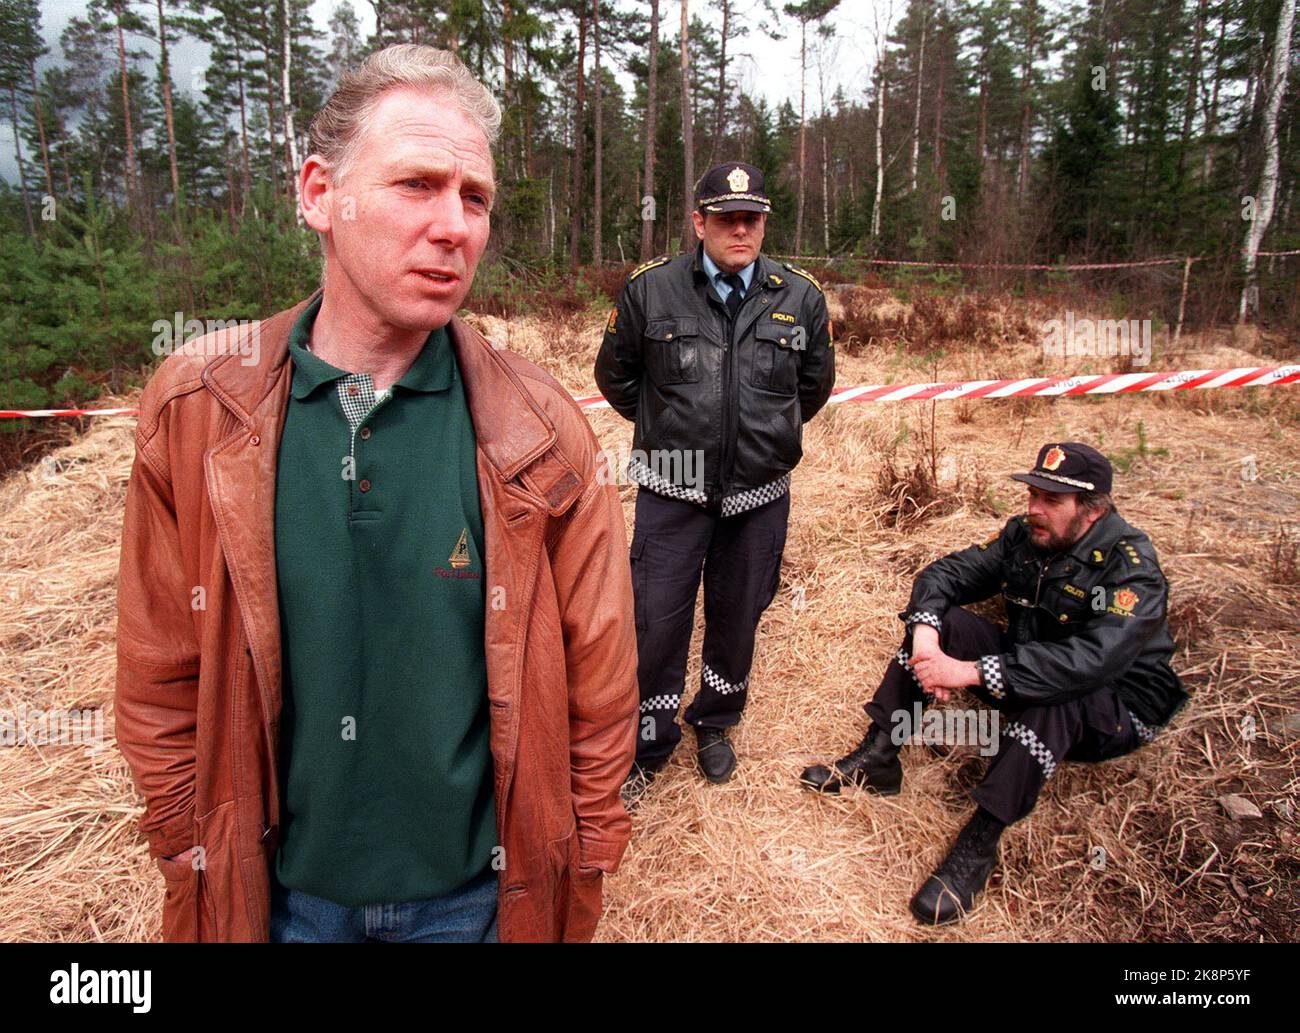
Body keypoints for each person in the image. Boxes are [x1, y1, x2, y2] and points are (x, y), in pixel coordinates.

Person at [114, 44, 638, 943]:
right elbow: (162, 671)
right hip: (277, 899)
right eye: (417, 185)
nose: (455, 226)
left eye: (474, 198)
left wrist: (580, 852)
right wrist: (186, 840)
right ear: (319, 193)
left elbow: (599, 682)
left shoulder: (538, 431)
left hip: (478, 900)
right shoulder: (199, 411)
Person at [801, 443, 1187, 925]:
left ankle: (980, 842)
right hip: (1030, 665)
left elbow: (1091, 662)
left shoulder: (1131, 566)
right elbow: (946, 574)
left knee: (1059, 691)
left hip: (1116, 707)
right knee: (948, 622)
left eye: (1051, 500)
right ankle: (879, 757)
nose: (1034, 509)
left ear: (1093, 511)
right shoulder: (1027, 536)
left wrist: (967, 672)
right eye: (1033, 494)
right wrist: (926, 641)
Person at [595, 161, 835, 801]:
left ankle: (715, 721)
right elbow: (616, 379)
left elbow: (810, 391)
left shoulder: (800, 297)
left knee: (737, 617)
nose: (740, 229)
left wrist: (759, 440)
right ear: (698, 222)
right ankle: (648, 741)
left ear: (764, 224)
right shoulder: (651, 290)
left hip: (758, 496)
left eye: (751, 218)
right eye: (726, 218)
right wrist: (672, 426)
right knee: (657, 622)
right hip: (672, 490)